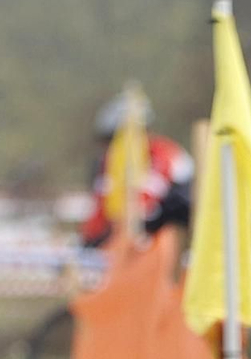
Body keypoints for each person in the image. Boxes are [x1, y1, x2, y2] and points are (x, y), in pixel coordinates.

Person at [79, 92, 193, 249]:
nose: (109, 148)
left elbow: (147, 206)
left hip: (169, 237)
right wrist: (89, 242)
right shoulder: (108, 166)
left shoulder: (164, 154)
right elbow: (101, 210)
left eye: (113, 140)